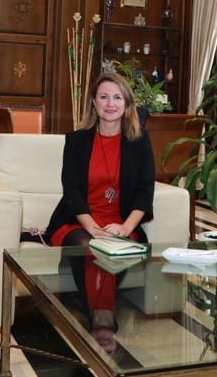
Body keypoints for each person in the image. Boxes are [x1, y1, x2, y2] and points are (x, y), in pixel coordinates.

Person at [45, 72, 156, 341]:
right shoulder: (76, 141)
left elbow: (145, 192)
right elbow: (71, 190)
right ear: (94, 103)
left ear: (127, 104)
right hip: (78, 220)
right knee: (90, 244)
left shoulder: (139, 141)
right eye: (104, 97)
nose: (110, 103)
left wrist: (125, 227)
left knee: (114, 246)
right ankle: (103, 314)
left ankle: (89, 309)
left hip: (120, 221)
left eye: (117, 97)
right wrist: (92, 226)